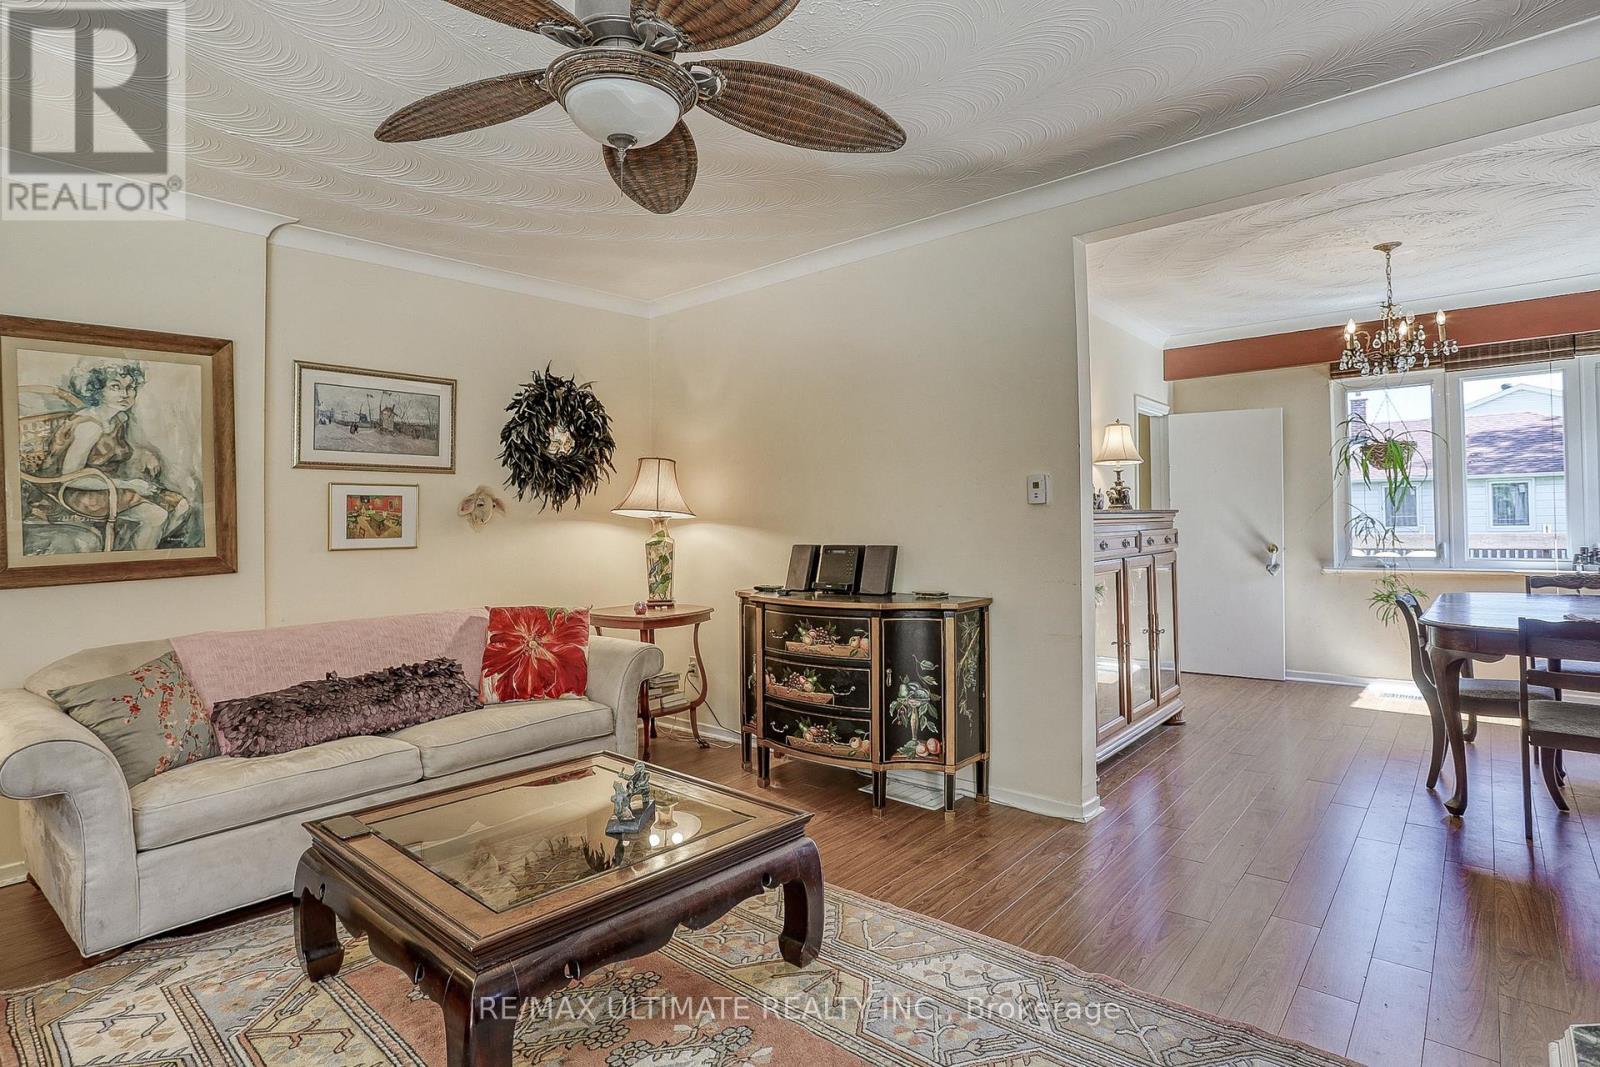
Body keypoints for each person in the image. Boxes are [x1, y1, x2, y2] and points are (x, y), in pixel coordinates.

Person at [45, 359, 192, 550]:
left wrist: (143, 454)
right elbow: (71, 478)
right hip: (77, 492)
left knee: (181, 506)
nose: (125, 394)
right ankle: (137, 563)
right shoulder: (89, 427)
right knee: (157, 516)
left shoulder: (118, 419)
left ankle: (130, 551)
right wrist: (128, 485)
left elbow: (111, 452)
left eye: (130, 387)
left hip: (106, 484)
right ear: (97, 389)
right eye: (115, 387)